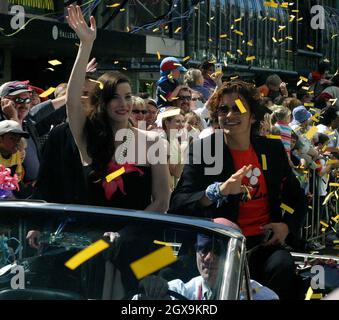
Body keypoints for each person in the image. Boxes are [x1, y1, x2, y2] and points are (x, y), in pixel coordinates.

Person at [168, 80, 308, 299]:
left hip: (262, 246)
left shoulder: (271, 149)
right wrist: (217, 191)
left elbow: (298, 197)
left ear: (252, 116)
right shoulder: (205, 150)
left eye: (238, 108)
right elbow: (178, 203)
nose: (230, 114)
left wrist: (286, 227)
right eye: (223, 109)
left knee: (283, 268)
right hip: (217, 246)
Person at [65, 5, 170, 211]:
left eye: (128, 96)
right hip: (93, 239)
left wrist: (126, 235)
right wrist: (86, 45)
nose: (123, 104)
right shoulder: (88, 136)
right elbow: (72, 103)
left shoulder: (153, 142)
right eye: (114, 97)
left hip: (136, 239)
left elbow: (162, 201)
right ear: (102, 102)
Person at [136, 218, 279, 300]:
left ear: (237, 256)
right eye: (203, 249)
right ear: (196, 252)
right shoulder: (182, 290)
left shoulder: (262, 297)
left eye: (218, 250)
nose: (209, 257)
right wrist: (150, 292)